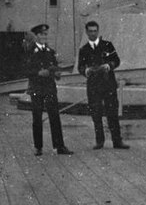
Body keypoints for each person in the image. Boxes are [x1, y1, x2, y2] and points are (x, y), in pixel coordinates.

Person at [77, 21, 130, 150]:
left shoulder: (107, 45)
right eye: (90, 31)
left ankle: (117, 141)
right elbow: (80, 67)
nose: (93, 33)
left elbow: (116, 60)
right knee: (96, 114)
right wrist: (86, 71)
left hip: (108, 85)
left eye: (95, 31)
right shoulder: (83, 50)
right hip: (94, 86)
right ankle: (99, 141)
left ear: (98, 31)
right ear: (87, 32)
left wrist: (108, 65)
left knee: (112, 113)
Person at [25, 24, 73, 156]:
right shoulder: (30, 51)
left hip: (50, 88)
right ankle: (38, 146)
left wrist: (57, 74)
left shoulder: (51, 52)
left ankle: (59, 146)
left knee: (54, 116)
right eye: (41, 34)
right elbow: (26, 69)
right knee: (37, 117)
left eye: (46, 34)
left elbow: (55, 68)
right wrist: (38, 73)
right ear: (36, 36)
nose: (44, 37)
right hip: (36, 88)